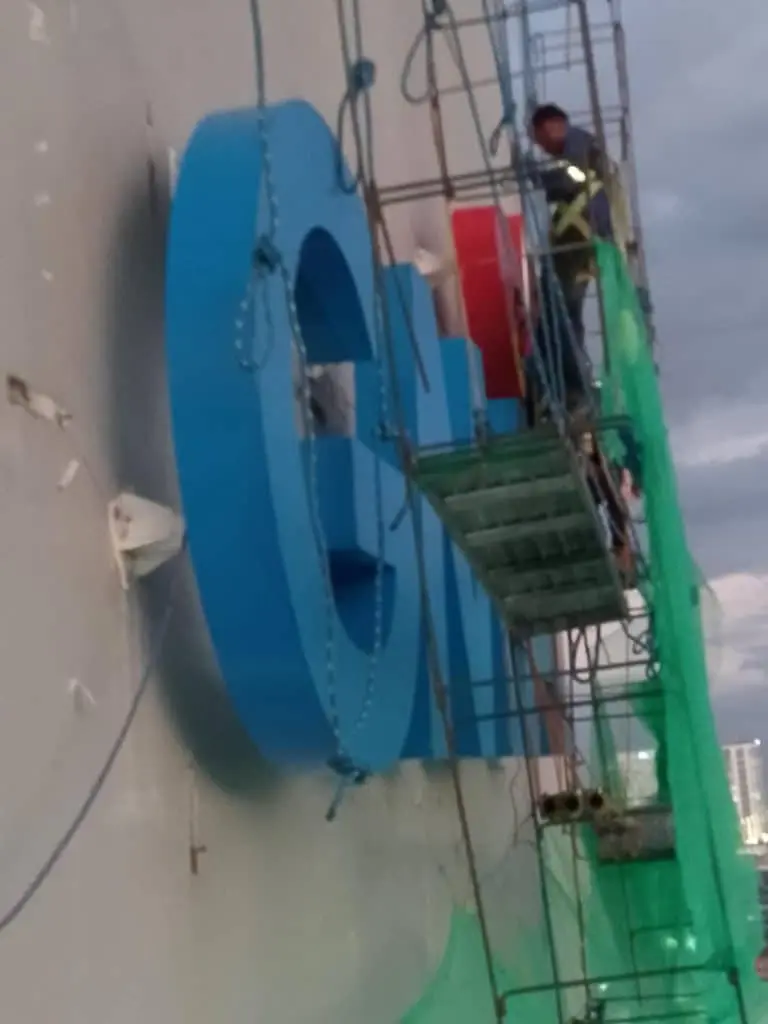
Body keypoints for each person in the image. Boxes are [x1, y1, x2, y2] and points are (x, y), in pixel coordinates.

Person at [523, 103, 614, 418]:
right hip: (576, 247)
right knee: (555, 315)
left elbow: (569, 178)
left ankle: (574, 389)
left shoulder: (578, 143)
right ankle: (554, 384)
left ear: (553, 125)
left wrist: (532, 174)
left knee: (561, 316)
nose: (541, 147)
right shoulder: (582, 150)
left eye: (539, 138)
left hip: (576, 248)